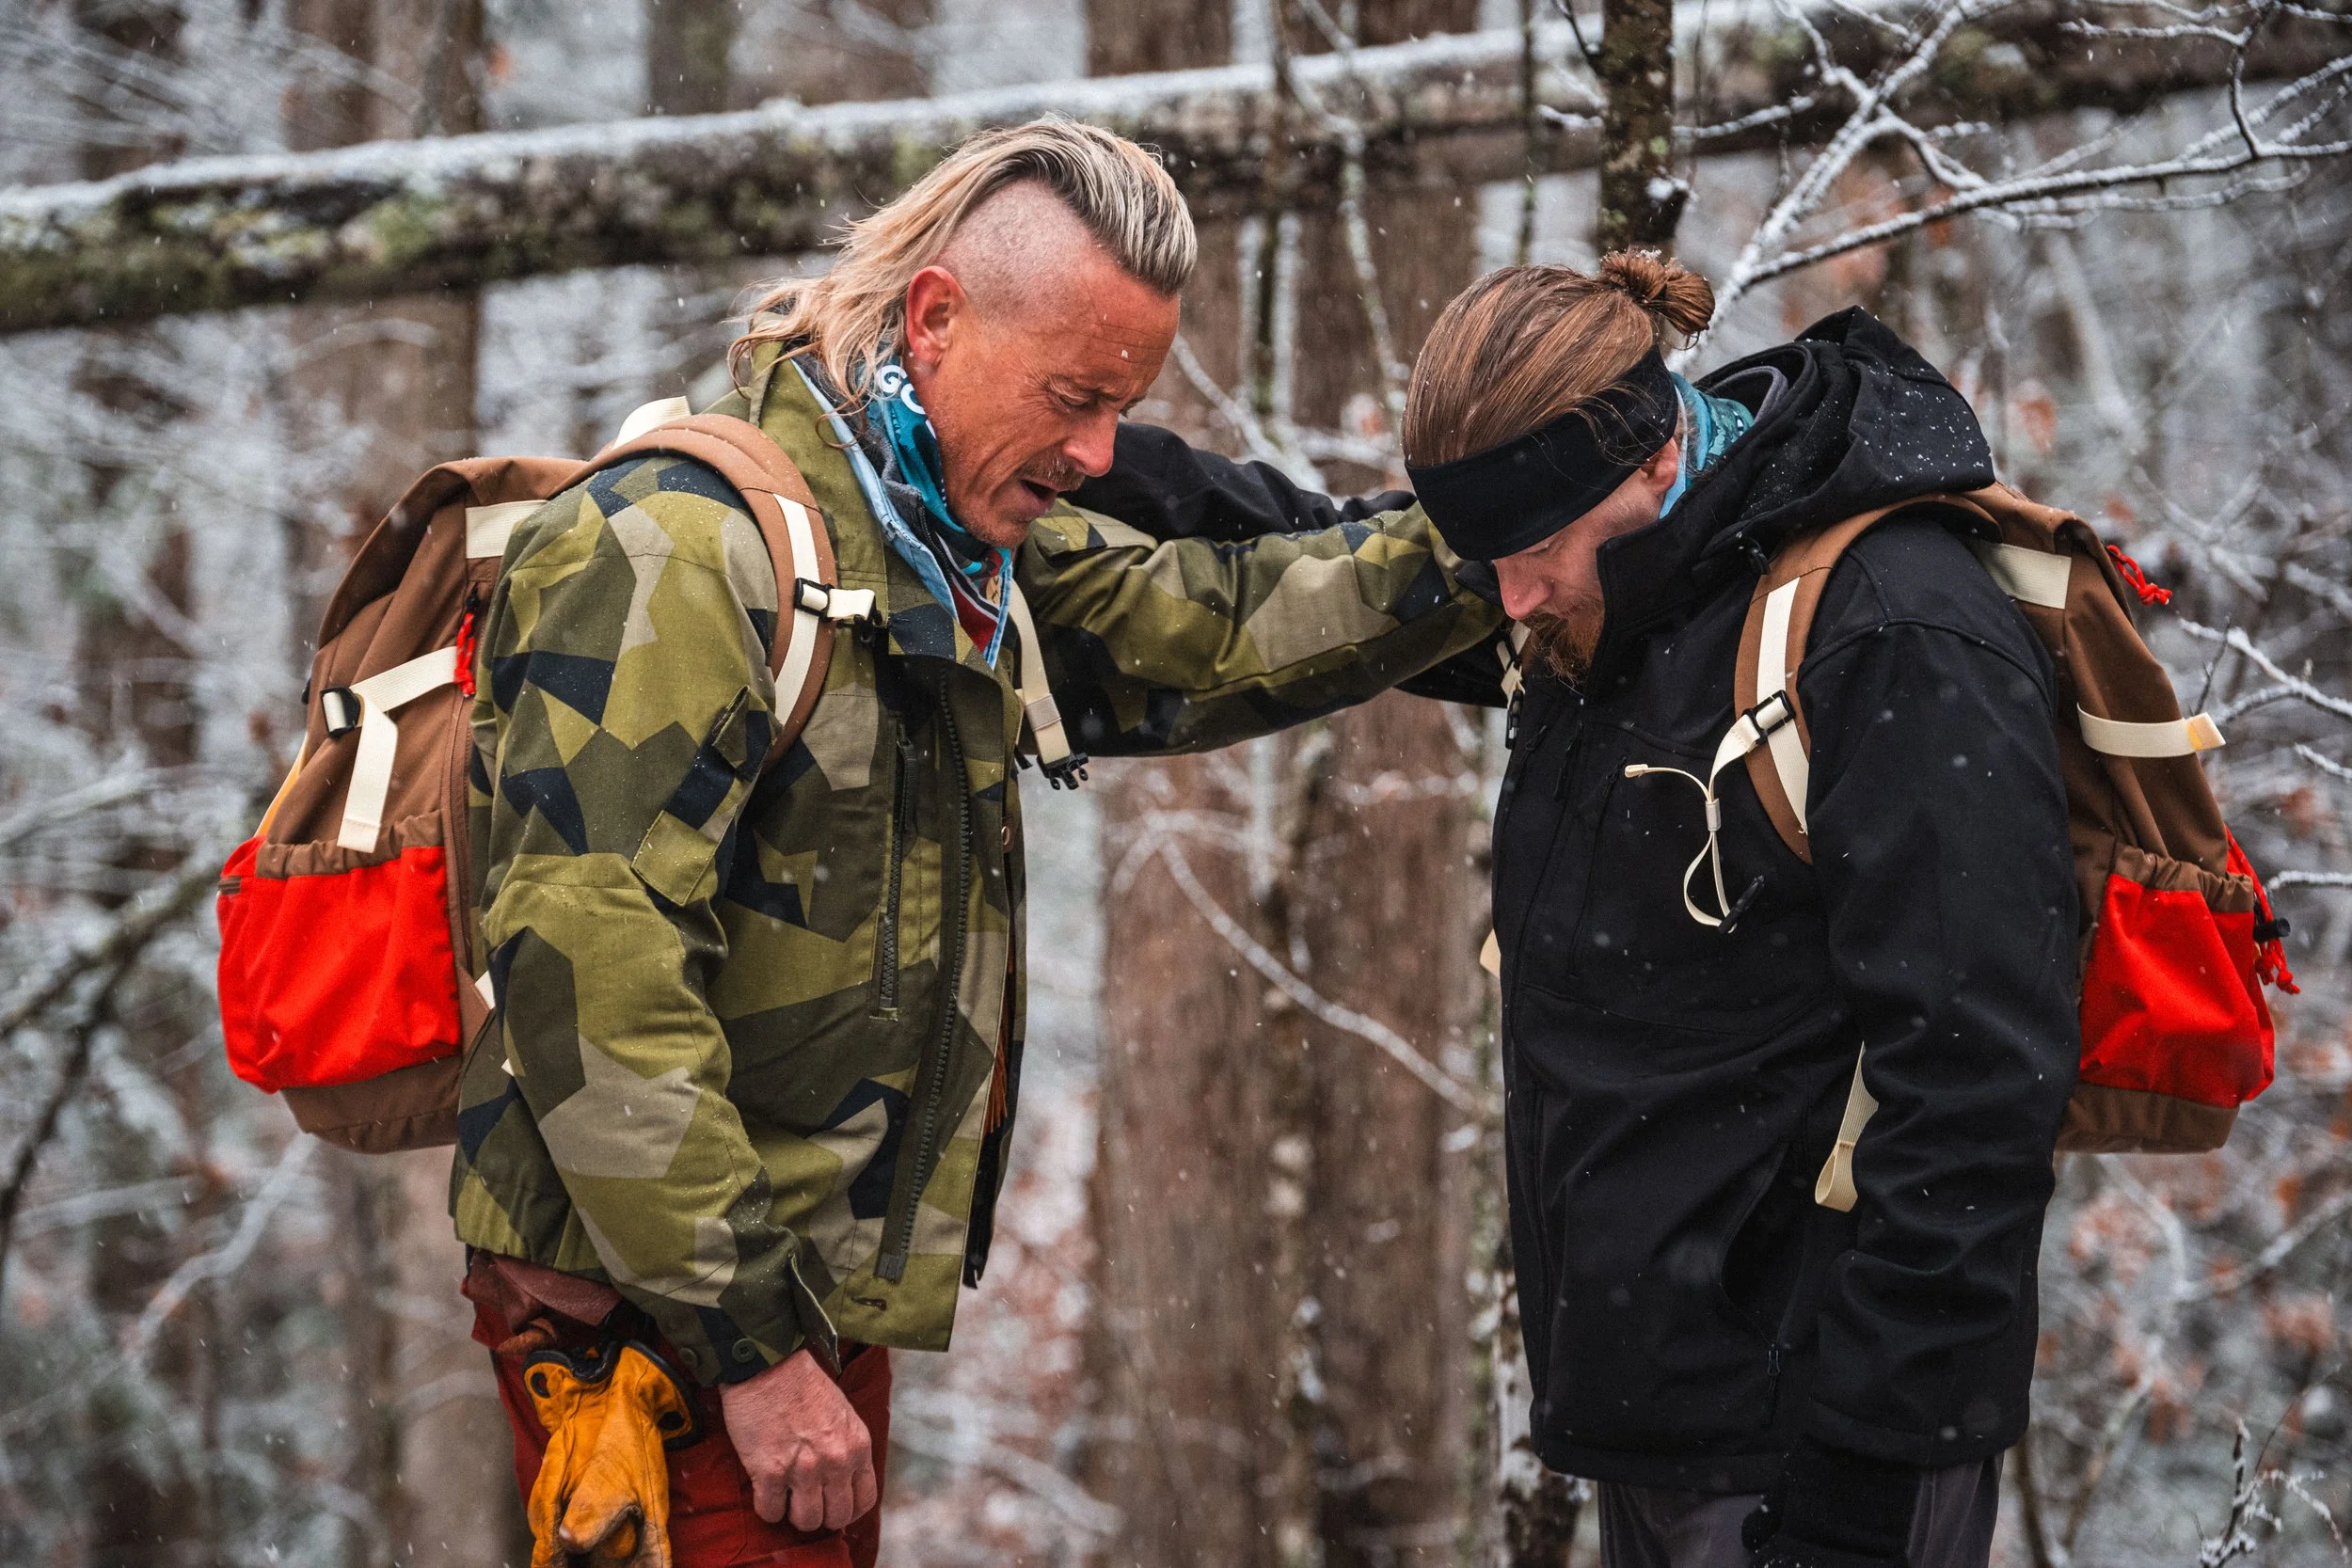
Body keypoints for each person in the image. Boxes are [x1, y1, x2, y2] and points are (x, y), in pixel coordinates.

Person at [452, 116, 1501, 1566]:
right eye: (1075, 396)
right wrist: (752, 1354)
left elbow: (1222, 627)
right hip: (656, 1325)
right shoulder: (676, 554)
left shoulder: (945, 554)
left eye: (1122, 406)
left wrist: (1510, 540)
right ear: (935, 319)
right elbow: (591, 983)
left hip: (777, 1305)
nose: (1098, 452)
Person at [1071, 253, 2077, 1568]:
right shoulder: (1618, 576)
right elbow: (1322, 546)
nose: (1511, 599)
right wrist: (1089, 456)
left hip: (1816, 1452)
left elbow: (1981, 1086)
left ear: (1654, 464)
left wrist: (1861, 1478)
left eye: (1536, 557)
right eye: (1488, 560)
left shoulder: (1891, 636)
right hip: (1666, 1423)